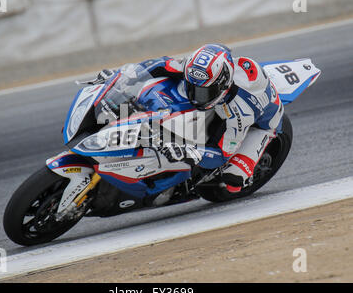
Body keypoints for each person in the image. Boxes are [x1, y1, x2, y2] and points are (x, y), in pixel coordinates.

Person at [95, 44, 284, 193]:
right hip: (223, 90)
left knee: (234, 180)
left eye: (203, 92)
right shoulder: (194, 68)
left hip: (263, 123)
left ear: (222, 86)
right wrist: (121, 76)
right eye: (191, 87)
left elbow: (222, 154)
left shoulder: (240, 110)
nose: (194, 96)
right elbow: (159, 65)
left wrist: (191, 152)